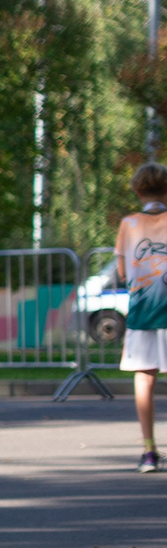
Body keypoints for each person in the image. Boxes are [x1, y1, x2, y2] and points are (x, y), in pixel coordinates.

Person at [114, 162, 167, 472]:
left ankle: (149, 450)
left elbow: (122, 272)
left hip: (143, 312)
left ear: (137, 190)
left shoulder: (129, 224)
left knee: (144, 378)